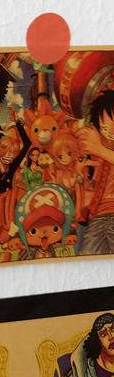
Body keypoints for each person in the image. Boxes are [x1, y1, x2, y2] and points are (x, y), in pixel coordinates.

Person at [77, 91, 114, 255]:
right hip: (97, 216)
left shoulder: (100, 149)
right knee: (87, 260)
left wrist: (99, 149)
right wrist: (81, 173)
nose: (110, 133)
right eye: (104, 128)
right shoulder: (96, 149)